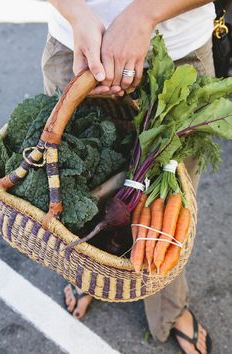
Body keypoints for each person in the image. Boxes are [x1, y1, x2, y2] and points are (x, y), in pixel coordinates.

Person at [42, 1, 216, 353]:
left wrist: (144, 15)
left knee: (168, 219)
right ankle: (86, 276)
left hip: (179, 52)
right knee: (75, 200)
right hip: (75, 47)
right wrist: (76, 14)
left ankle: (168, 309)